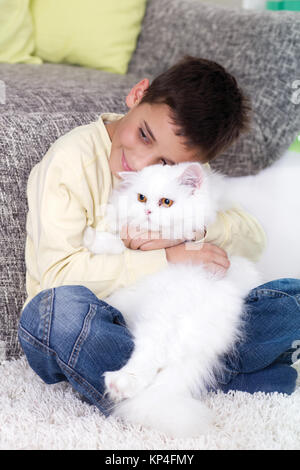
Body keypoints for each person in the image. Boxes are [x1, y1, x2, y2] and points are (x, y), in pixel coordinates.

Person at [18, 56, 299, 417]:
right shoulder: (70, 162)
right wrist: (165, 257)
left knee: (291, 297)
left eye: (165, 164)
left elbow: (253, 237)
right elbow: (55, 277)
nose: (140, 163)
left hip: (171, 321)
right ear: (138, 94)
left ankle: (178, 376)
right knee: (59, 314)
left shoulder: (186, 172)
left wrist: (187, 233)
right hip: (97, 317)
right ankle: (220, 375)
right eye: (144, 135)